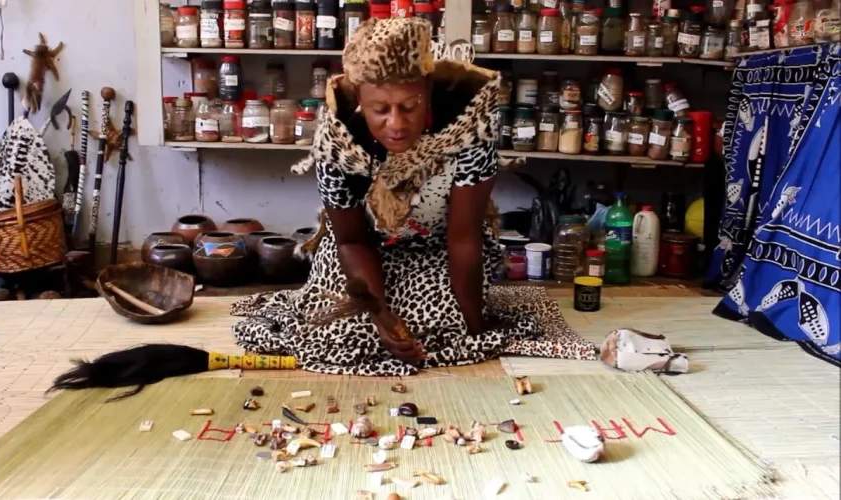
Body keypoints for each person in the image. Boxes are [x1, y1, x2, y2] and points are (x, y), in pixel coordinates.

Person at [229, 17, 596, 376]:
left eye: (409, 106)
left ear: (428, 89)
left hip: (440, 249)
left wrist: (473, 325)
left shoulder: (469, 130)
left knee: (445, 324)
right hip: (364, 251)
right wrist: (380, 315)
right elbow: (351, 241)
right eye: (380, 110)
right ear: (359, 98)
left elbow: (464, 239)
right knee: (339, 330)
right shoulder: (338, 144)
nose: (397, 124)